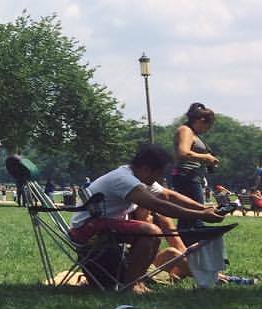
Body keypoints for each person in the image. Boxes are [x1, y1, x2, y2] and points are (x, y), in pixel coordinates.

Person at [68, 143, 223, 293]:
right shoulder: (124, 179)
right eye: (159, 174)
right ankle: (131, 285)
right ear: (146, 169)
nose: (160, 179)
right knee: (151, 232)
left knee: (152, 235)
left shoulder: (136, 176)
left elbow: (168, 196)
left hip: (100, 225)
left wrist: (204, 208)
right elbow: (158, 205)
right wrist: (201, 215)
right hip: (87, 229)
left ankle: (135, 282)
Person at [169, 102, 218, 229]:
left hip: (192, 176)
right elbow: (183, 152)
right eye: (208, 126)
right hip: (186, 176)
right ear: (201, 120)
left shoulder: (192, 133)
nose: (207, 130)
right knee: (195, 216)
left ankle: (185, 238)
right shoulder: (185, 131)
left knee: (189, 217)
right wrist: (205, 157)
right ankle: (192, 238)